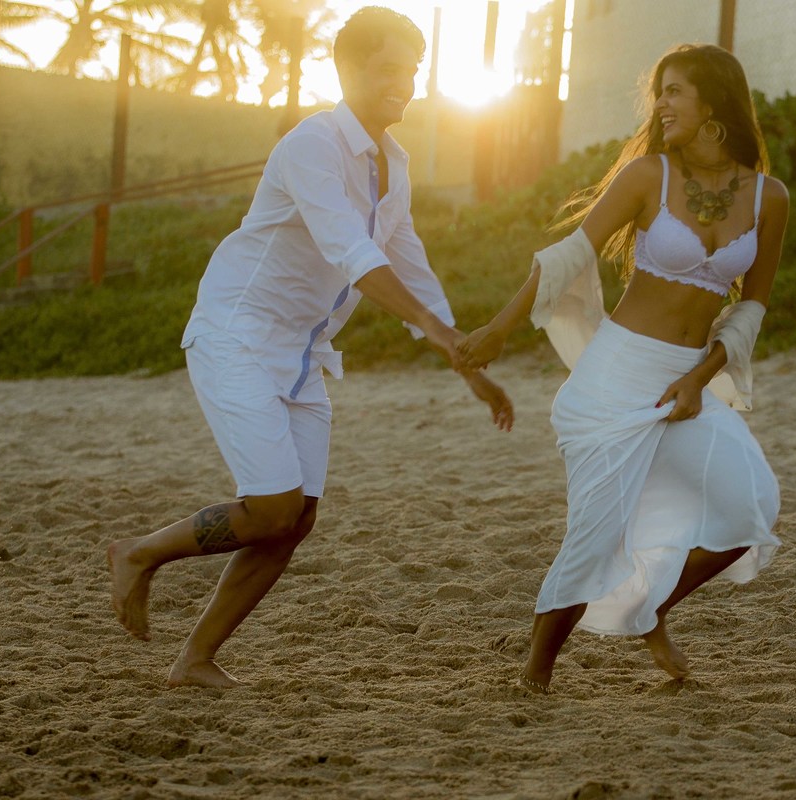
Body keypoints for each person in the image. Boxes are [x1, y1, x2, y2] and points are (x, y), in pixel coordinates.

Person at [108, 6, 514, 689]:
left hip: (302, 354)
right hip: (237, 335)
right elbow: (352, 254)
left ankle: (195, 659)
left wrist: (458, 356)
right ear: (348, 69)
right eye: (389, 69)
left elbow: (407, 260)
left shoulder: (395, 164)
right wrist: (445, 338)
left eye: (412, 71)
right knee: (271, 506)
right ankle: (139, 553)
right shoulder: (312, 144)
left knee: (296, 520)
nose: (404, 84)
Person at [458, 44, 788, 693]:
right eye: (658, 91)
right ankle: (535, 677)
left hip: (685, 380)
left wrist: (699, 378)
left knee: (748, 507)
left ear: (714, 104)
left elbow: (752, 306)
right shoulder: (647, 177)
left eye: (675, 92)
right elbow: (564, 257)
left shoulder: (769, 197)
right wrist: (498, 329)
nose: (660, 104)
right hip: (615, 379)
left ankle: (650, 607)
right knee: (594, 538)